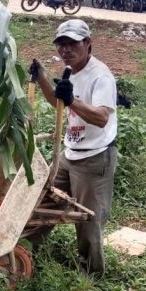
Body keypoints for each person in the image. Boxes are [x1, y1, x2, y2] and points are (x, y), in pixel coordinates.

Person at [29, 19, 118, 275]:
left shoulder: (100, 75)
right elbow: (58, 101)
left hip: (95, 156)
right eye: (61, 45)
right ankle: (27, 248)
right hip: (70, 153)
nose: (66, 50)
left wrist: (72, 101)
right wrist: (44, 78)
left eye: (72, 44)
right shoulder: (72, 72)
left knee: (89, 220)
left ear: (88, 44)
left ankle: (92, 274)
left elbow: (101, 118)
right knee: (45, 201)